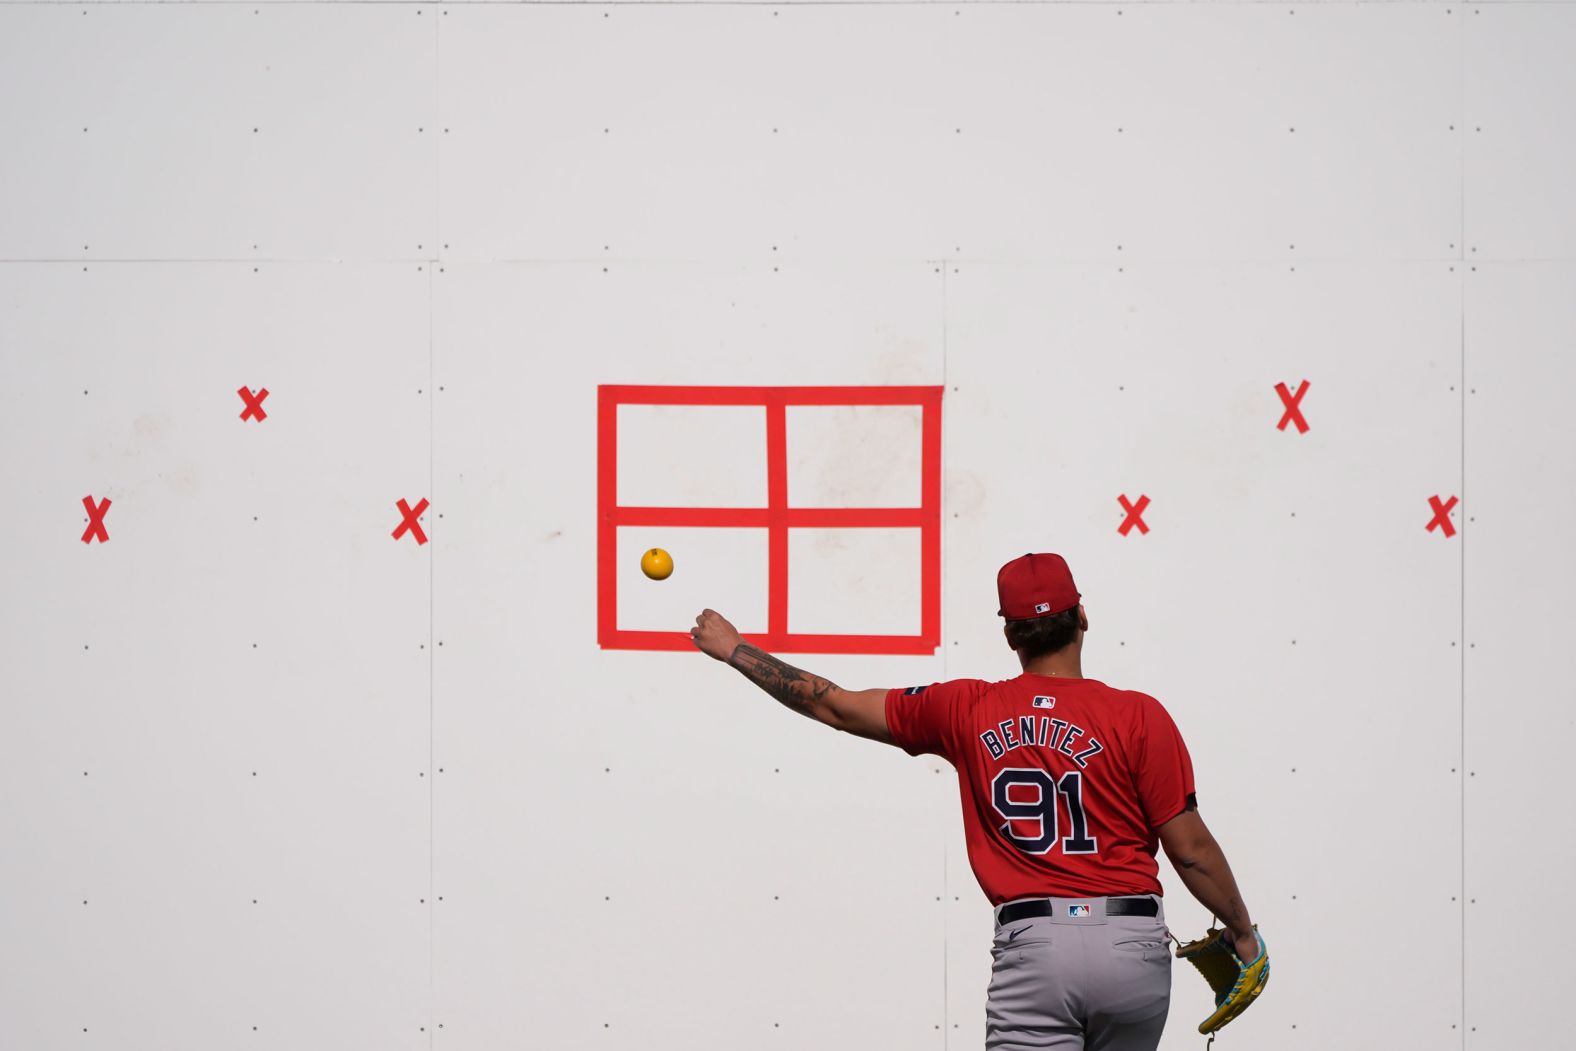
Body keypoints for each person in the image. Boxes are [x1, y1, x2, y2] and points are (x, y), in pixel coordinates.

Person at [689, 552, 1260, 1050]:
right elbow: (1190, 851)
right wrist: (1240, 930)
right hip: (1129, 944)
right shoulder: (1140, 715)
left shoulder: (965, 708)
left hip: (1035, 947)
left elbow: (833, 705)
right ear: (1082, 618)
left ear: (1010, 635)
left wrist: (736, 650)